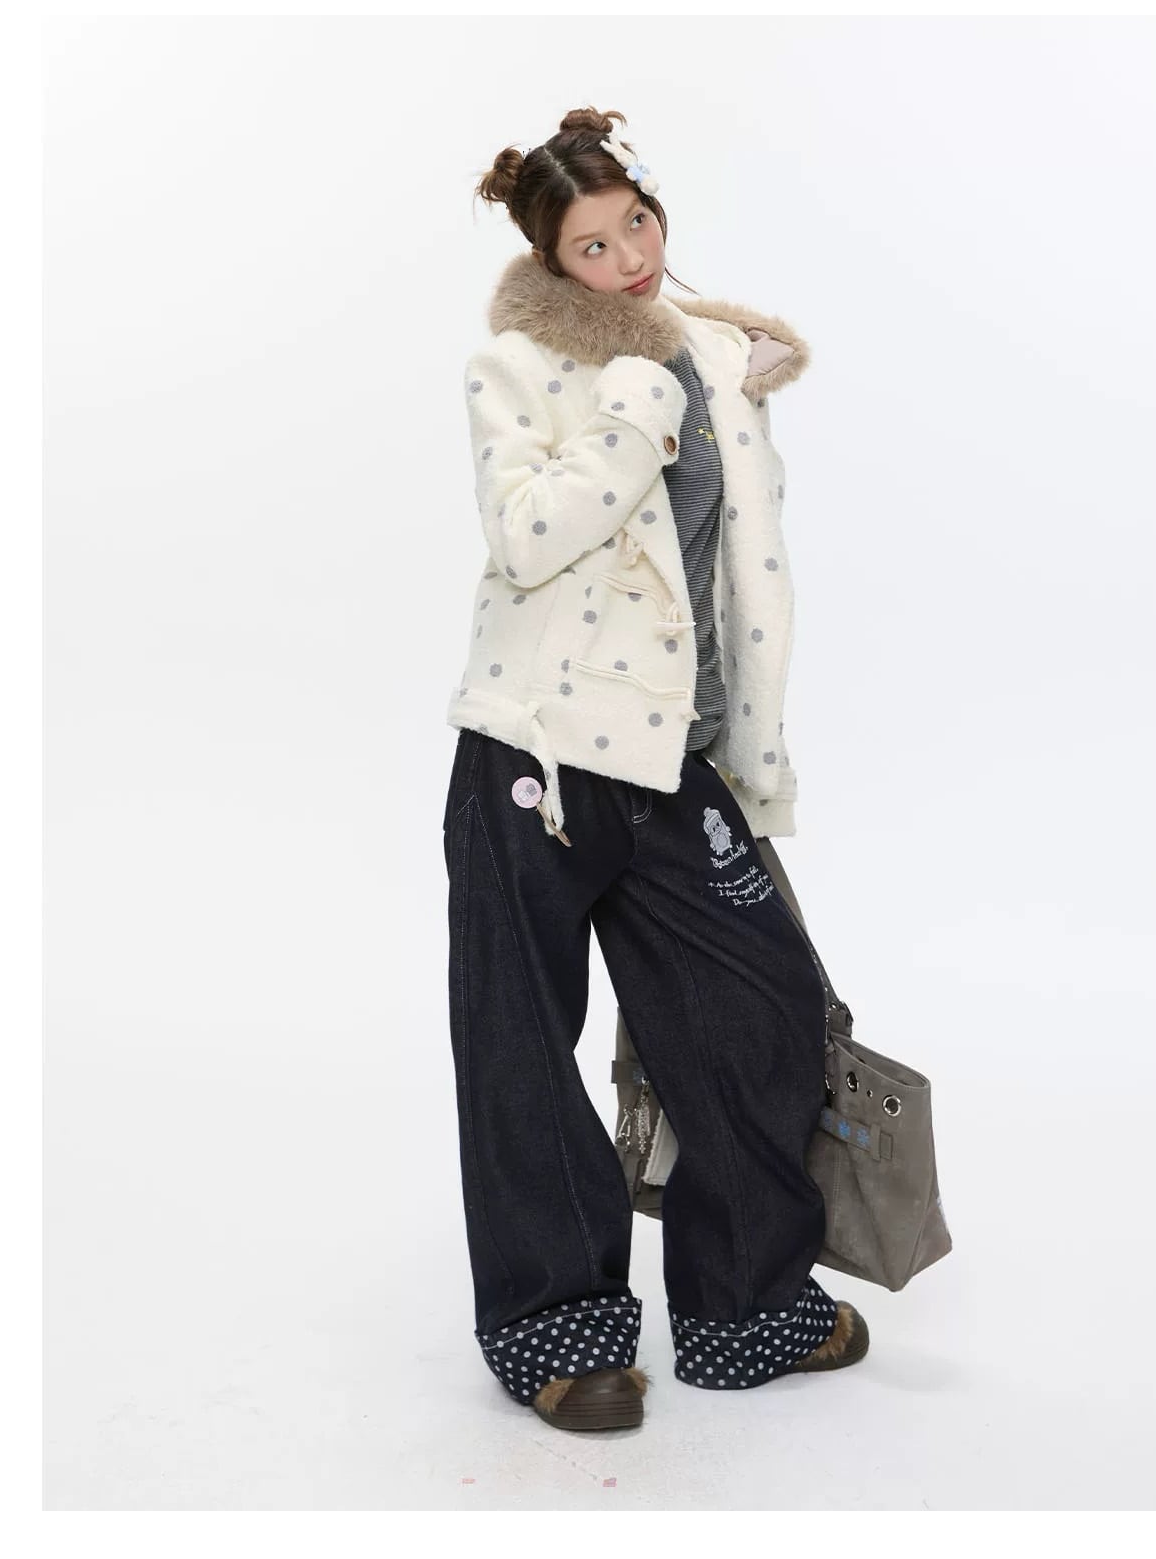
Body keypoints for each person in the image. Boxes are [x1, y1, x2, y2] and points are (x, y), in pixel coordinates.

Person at [441, 106, 868, 1432]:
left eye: (638, 223)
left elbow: (742, 568)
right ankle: (558, 1330)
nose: (629, 257)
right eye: (593, 244)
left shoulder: (710, 356)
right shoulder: (519, 366)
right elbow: (525, 538)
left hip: (675, 761)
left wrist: (752, 749)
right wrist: (633, 404)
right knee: (522, 1045)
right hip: (536, 757)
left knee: (760, 1016)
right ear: (549, 259)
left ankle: (746, 1307)